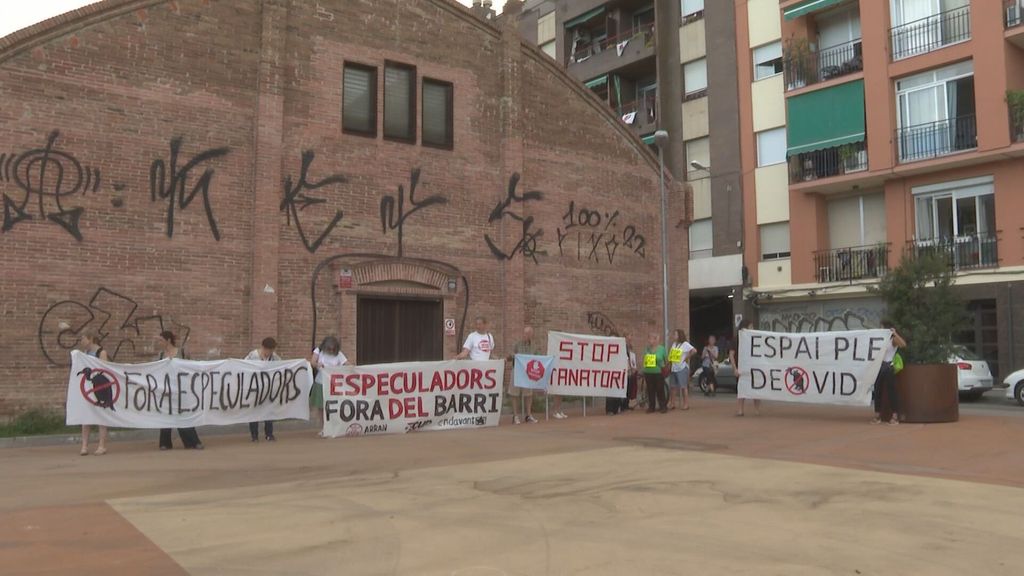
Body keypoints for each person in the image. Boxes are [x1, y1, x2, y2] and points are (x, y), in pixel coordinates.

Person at [157, 331, 203, 450]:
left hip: (182, 389)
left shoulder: (181, 352)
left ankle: (192, 441)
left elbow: (191, 368)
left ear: (168, 340)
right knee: (166, 415)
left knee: (184, 414)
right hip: (167, 390)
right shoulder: (161, 355)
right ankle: (164, 443)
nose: (159, 343)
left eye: (161, 340)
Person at [77, 333, 110, 456]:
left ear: (90, 339)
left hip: (99, 388)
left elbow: (105, 370)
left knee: (101, 416)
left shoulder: (101, 352)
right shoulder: (84, 354)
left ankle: (102, 445)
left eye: (83, 338)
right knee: (86, 417)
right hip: (88, 388)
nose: (81, 341)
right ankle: (84, 445)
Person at [311, 335, 348, 436]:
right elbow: (313, 362)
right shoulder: (318, 351)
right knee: (321, 406)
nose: (331, 351)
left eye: (333, 349)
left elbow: (346, 364)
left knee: (334, 405)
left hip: (334, 384)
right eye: (329, 349)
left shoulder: (339, 354)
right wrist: (318, 365)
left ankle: (334, 426)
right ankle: (324, 427)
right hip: (321, 382)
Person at [246, 337, 281, 442]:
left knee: (269, 411)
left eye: (271, 350)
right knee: (254, 412)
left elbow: (282, 366)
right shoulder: (253, 356)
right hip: (255, 388)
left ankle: (269, 434)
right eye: (268, 350)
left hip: (268, 389)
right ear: (263, 347)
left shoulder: (274, 357)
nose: (269, 352)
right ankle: (254, 435)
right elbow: (243, 367)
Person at [874, 320, 908, 425]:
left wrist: (894, 333)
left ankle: (895, 416)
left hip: (888, 366)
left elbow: (903, 345)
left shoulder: (892, 340)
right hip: (879, 367)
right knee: (877, 391)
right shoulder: (879, 339)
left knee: (891, 391)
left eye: (882, 327)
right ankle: (877, 415)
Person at [507, 326, 539, 424]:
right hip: (517, 370)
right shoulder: (517, 344)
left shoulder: (533, 346)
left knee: (528, 393)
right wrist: (512, 355)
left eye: (527, 334)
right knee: (514, 393)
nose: (525, 335)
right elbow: (509, 356)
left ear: (531, 335)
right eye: (524, 333)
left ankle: (528, 415)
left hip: (528, 373)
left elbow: (538, 357)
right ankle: (515, 416)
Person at [733, 320, 761, 417]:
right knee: (741, 388)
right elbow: (731, 355)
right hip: (742, 367)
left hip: (753, 366)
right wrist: (735, 368)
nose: (752, 328)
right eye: (750, 326)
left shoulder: (755, 339)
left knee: (756, 388)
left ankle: (757, 410)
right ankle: (740, 409)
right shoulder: (737, 339)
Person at [668, 329, 695, 411]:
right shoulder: (674, 344)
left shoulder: (685, 344)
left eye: (675, 334)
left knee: (683, 386)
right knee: (673, 386)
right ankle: (672, 403)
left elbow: (694, 350)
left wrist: (686, 357)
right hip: (674, 367)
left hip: (681, 367)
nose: (674, 336)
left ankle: (685, 404)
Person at [642, 331, 668, 413]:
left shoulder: (662, 349)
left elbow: (665, 359)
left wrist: (654, 358)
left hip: (658, 372)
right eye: (649, 339)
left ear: (656, 339)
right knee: (650, 390)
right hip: (648, 371)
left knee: (660, 389)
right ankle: (651, 407)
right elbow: (645, 358)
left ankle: (663, 406)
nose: (650, 341)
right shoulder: (647, 349)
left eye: (651, 339)